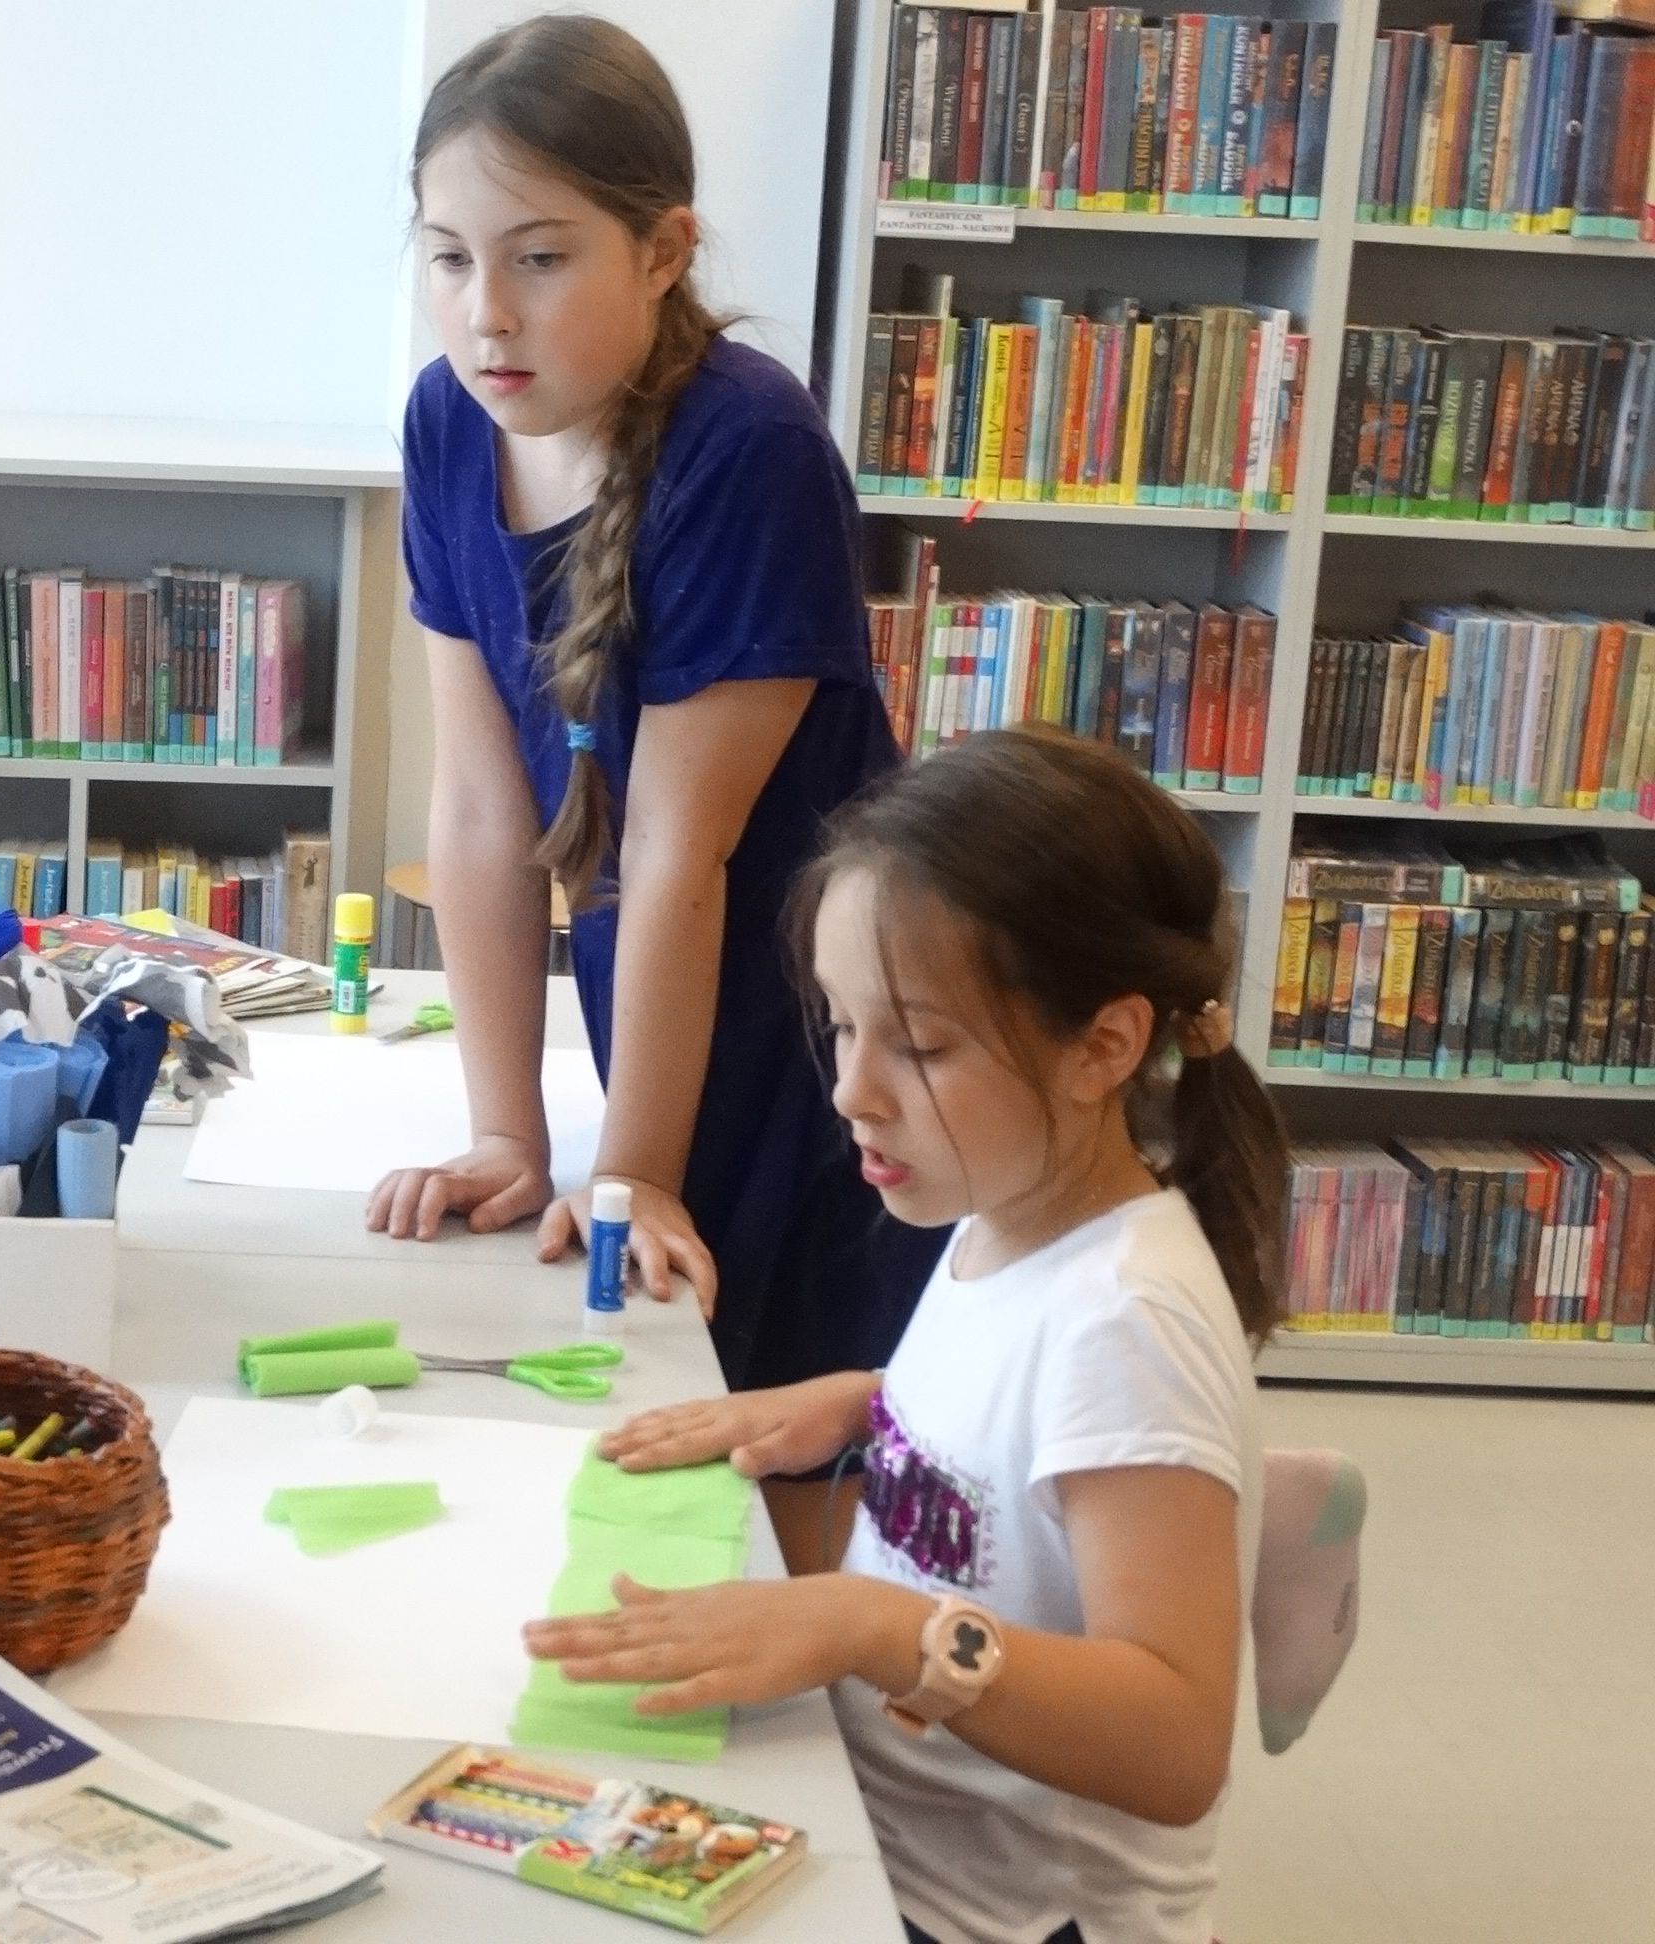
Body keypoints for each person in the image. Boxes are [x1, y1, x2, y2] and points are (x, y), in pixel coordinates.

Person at [528, 727, 1286, 1944]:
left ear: (1103, 1046)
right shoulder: (1008, 1207)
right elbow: (1018, 1429)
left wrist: (866, 1626)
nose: (851, 1089)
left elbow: (1176, 1744)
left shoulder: (1130, 1319)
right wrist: (868, 1399)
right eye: (841, 1026)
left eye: (920, 1046)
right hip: (879, 1834)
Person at [366, 14, 944, 1433]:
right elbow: (485, 811)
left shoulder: (749, 447)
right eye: (450, 257)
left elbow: (681, 854)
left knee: (800, 1445)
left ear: (665, 250)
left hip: (823, 1035)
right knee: (656, 1408)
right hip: (663, 1009)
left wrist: (632, 1171)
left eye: (539, 257)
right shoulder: (445, 422)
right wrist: (510, 1134)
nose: (487, 312)